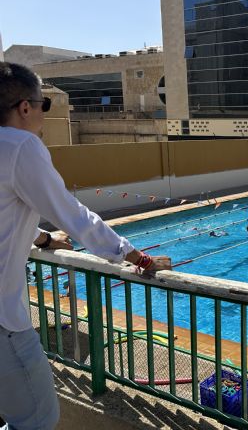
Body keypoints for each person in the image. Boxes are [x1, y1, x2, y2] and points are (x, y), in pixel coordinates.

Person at [0, 62, 171, 430]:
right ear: (25, 108)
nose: (45, 116)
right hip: (3, 322)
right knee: (38, 418)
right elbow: (73, 215)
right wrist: (137, 257)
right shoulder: (19, 146)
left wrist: (44, 239)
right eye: (43, 105)